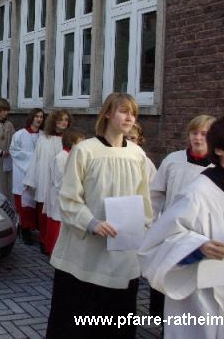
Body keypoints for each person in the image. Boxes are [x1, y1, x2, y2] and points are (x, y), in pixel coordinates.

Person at [139, 114, 224, 339]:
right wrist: (198, 247)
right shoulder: (198, 193)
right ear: (219, 150)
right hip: (206, 301)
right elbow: (154, 247)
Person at [46, 93, 151, 339]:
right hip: (85, 254)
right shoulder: (85, 151)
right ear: (107, 114)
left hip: (122, 255)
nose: (130, 117)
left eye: (133, 112)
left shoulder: (137, 155)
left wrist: (143, 231)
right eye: (124, 111)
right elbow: (69, 198)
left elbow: (144, 202)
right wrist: (91, 223)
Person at [147, 114, 215, 318]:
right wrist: (151, 224)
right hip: (171, 232)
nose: (198, 138)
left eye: (204, 133)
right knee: (166, 279)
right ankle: (162, 321)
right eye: (194, 133)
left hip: (202, 236)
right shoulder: (173, 160)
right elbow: (155, 194)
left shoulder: (219, 168)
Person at [24, 109, 72, 252]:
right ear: (53, 121)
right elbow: (36, 160)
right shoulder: (44, 138)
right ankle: (44, 241)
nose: (63, 123)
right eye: (60, 120)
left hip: (62, 181)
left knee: (59, 213)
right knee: (44, 213)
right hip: (45, 179)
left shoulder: (69, 138)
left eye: (66, 120)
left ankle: (59, 243)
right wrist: (31, 181)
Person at [43, 129, 85, 256]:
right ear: (71, 143)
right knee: (58, 223)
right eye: (80, 143)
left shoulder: (76, 156)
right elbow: (59, 181)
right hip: (60, 197)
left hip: (72, 195)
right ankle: (54, 250)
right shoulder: (61, 157)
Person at [9, 108, 44, 245]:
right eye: (36, 116)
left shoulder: (43, 135)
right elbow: (13, 151)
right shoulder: (19, 134)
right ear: (31, 118)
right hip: (22, 173)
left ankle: (32, 228)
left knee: (35, 204)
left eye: (41, 117)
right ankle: (24, 230)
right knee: (23, 205)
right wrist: (32, 159)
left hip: (37, 175)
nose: (39, 119)